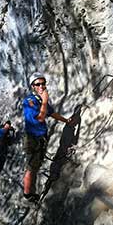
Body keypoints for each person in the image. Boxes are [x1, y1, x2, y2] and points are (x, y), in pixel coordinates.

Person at [23, 72, 72, 203]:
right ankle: (28, 195)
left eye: (43, 83)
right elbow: (39, 119)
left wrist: (66, 120)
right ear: (32, 86)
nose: (41, 86)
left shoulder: (39, 100)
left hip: (40, 137)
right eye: (38, 84)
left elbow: (52, 113)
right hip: (32, 138)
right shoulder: (29, 101)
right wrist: (44, 101)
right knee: (31, 168)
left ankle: (30, 192)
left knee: (35, 166)